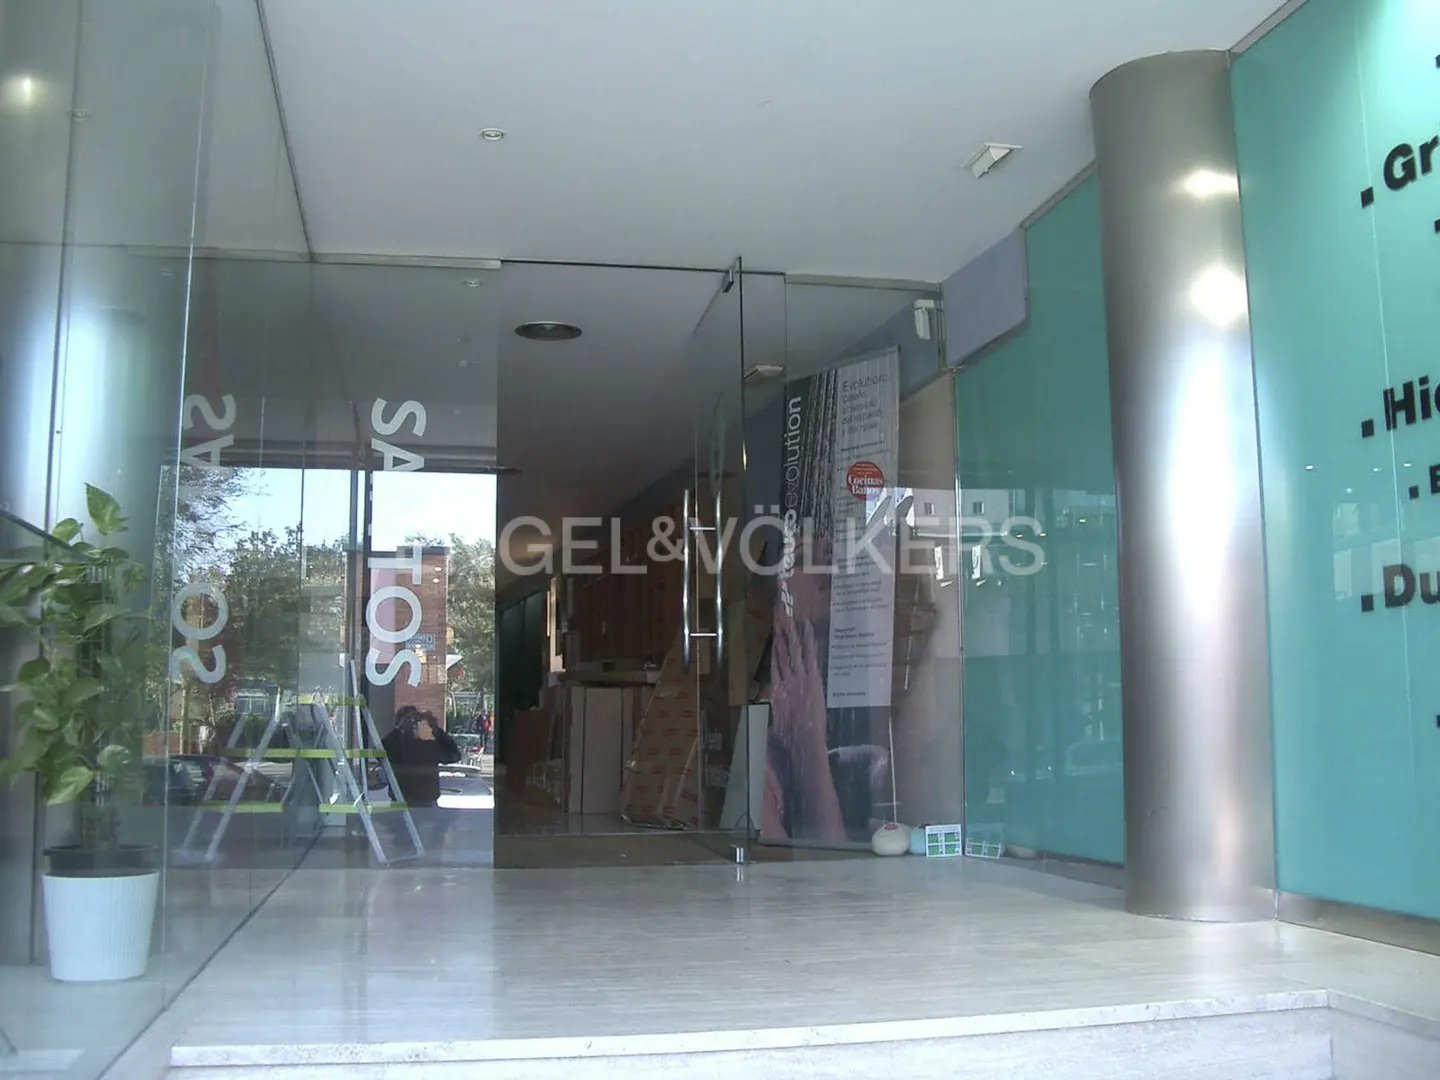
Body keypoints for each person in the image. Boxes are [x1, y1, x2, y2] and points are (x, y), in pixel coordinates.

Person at [382, 707, 460, 856]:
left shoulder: (426, 747)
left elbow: (453, 755)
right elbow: (381, 750)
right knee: (404, 849)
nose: (412, 727)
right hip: (402, 806)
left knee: (432, 849)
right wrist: (399, 729)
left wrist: (436, 729)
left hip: (427, 804)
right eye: (408, 723)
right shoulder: (395, 749)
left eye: (414, 723)